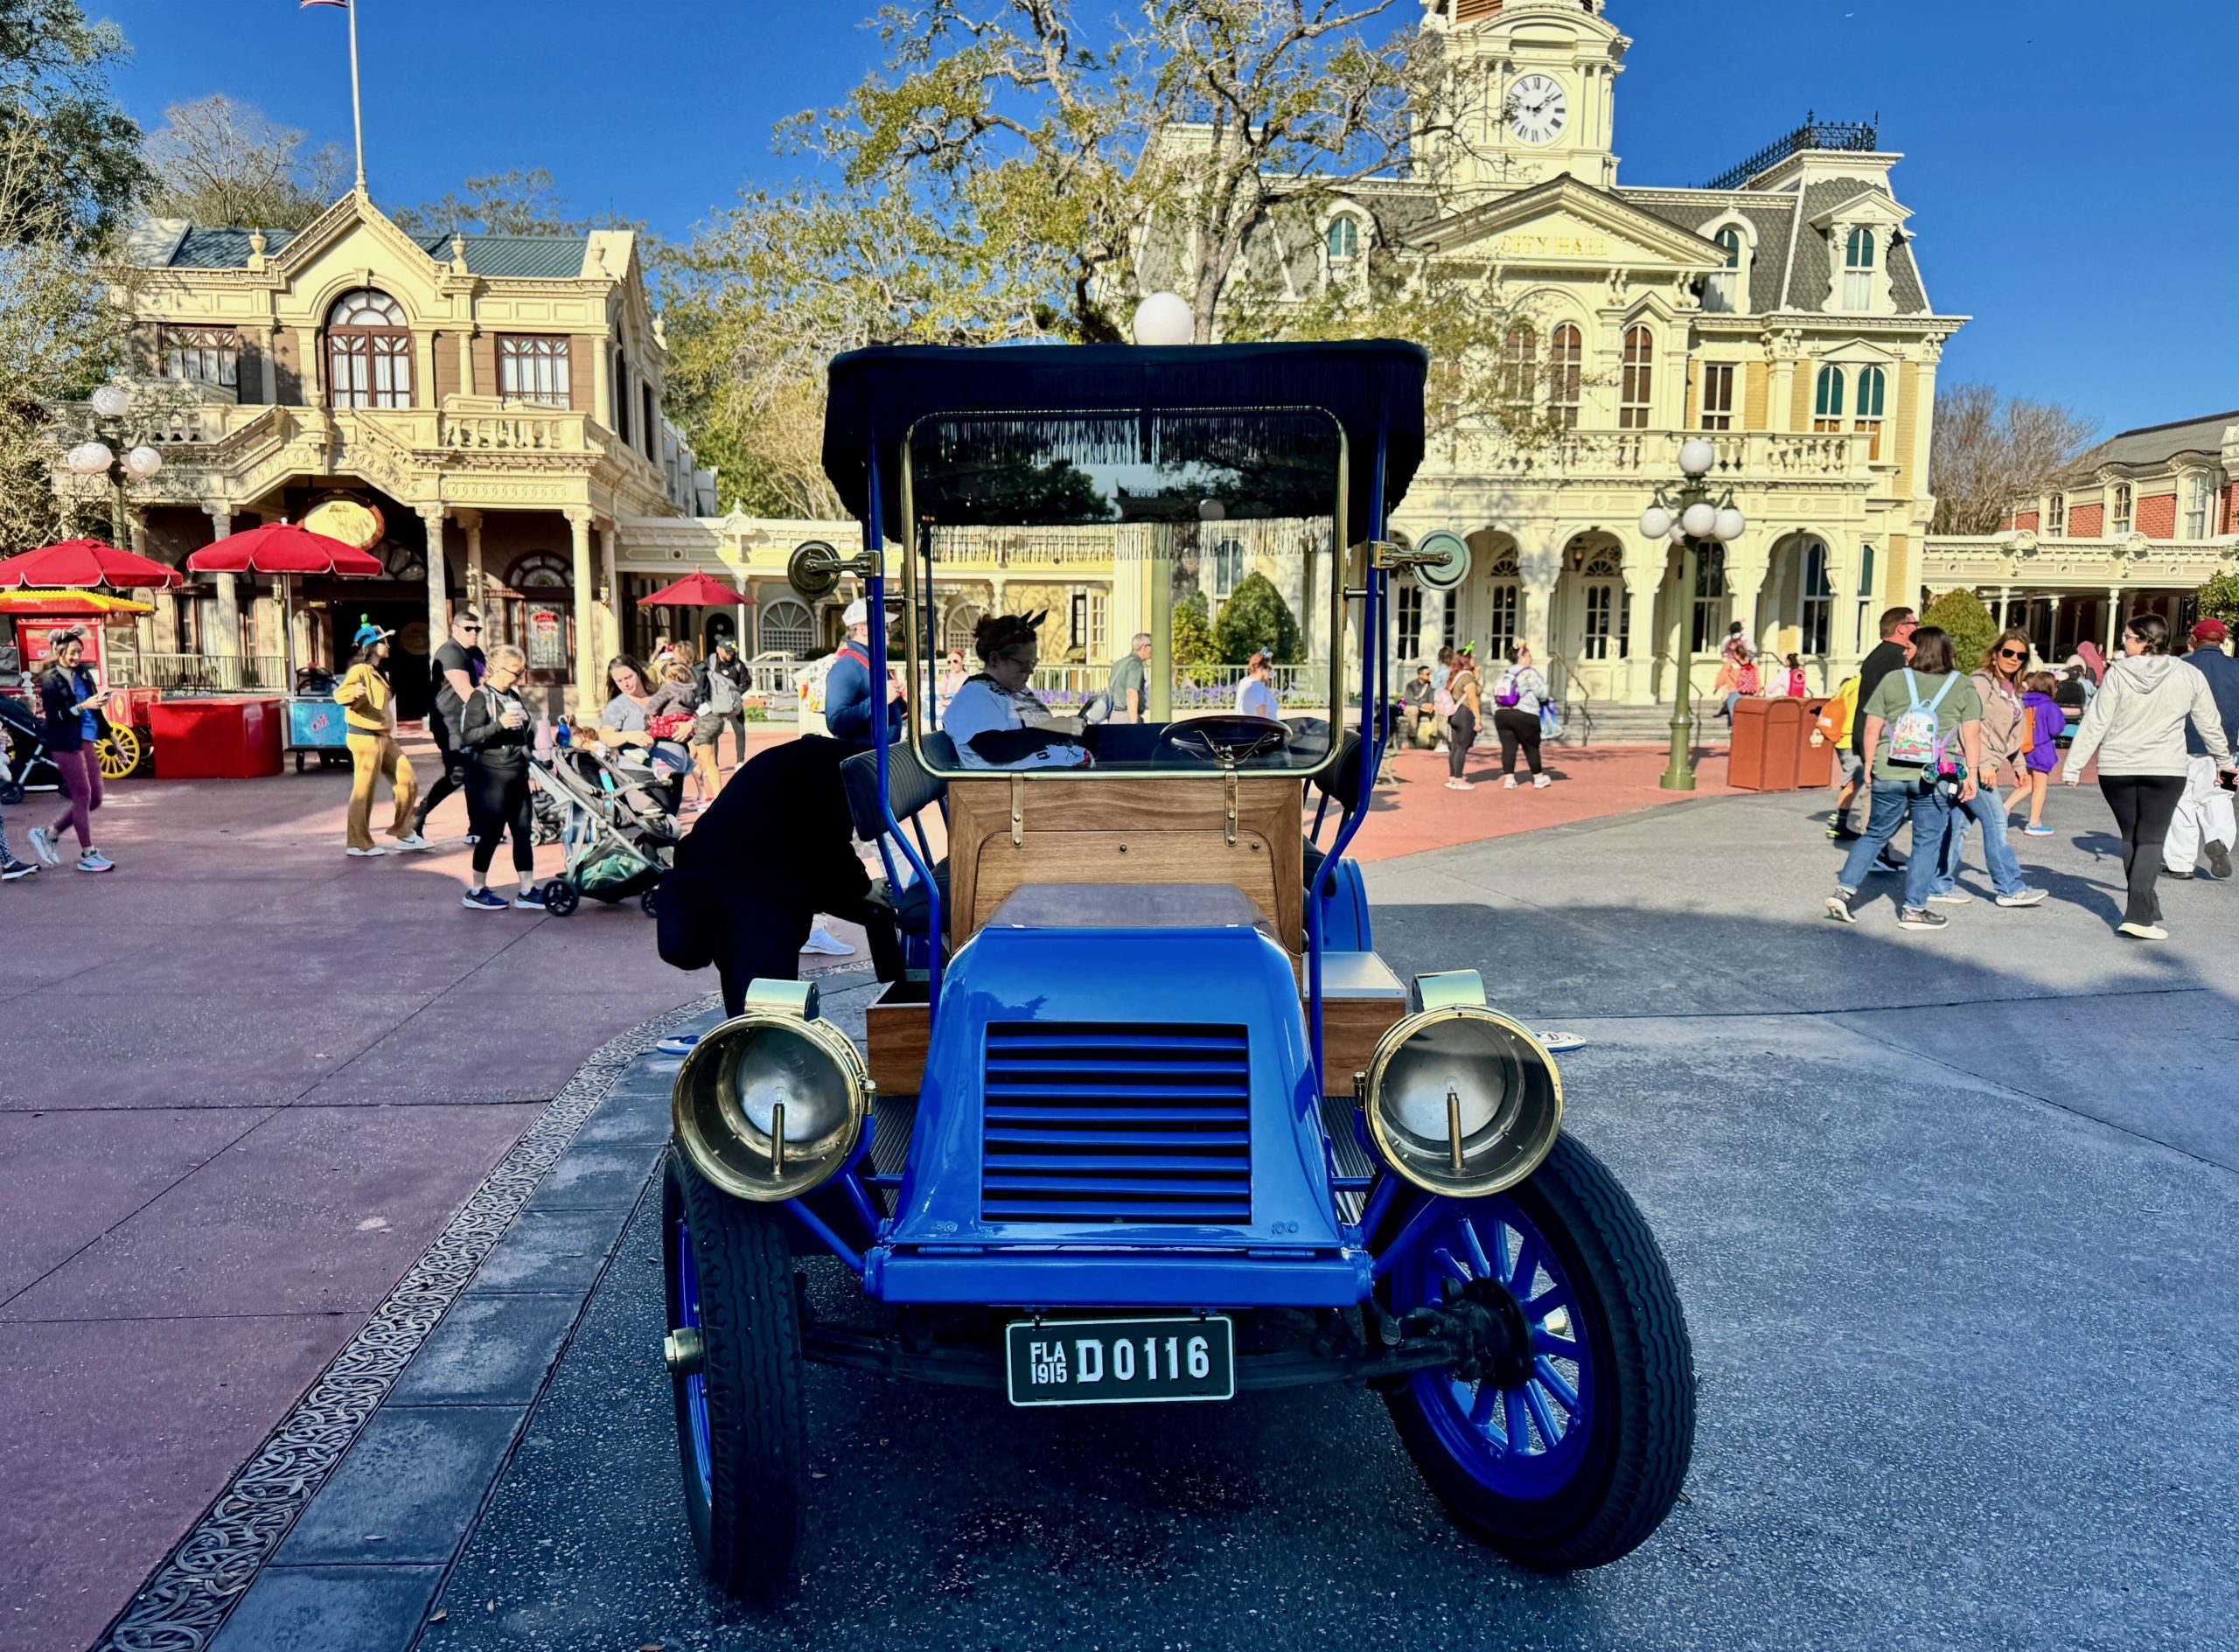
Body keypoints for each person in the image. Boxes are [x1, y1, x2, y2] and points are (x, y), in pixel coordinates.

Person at [653, 735, 902, 1015]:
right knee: (765, 995)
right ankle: (762, 1040)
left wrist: (860, 892)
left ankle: (748, 1037)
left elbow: (822, 854)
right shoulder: (845, 772)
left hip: (718, 867)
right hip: (753, 881)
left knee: (742, 982)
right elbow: (826, 846)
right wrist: (863, 888)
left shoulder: (820, 759)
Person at [2061, 614, 2235, 938]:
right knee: (2151, 839)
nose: (2123, 643)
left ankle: (2144, 902)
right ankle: (2139, 917)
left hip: (2117, 767)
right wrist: (2225, 762)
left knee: (2131, 837)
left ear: (2144, 640)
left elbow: (2097, 720)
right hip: (2166, 767)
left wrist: (2074, 765)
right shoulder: (2188, 674)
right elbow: (2209, 724)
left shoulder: (2118, 674)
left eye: (2127, 637)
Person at [1824, 624, 1982, 931]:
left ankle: (1843, 892)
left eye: (1909, 647)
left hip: (1889, 769)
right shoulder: (1962, 685)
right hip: (1935, 775)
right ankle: (1914, 910)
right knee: (1926, 842)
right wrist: (1971, 774)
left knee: (1875, 833)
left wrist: (1869, 764)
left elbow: (1872, 727)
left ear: (1922, 650)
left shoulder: (1894, 680)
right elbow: (1971, 734)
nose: (1904, 652)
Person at [1923, 628, 2046, 910]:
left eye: (2020, 656)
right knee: (1997, 821)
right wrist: (1982, 765)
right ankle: (2010, 888)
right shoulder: (1980, 682)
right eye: (2008, 652)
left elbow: (2009, 733)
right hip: (1971, 763)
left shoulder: (2012, 688)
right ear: (1995, 653)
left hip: (1981, 763)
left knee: (1958, 825)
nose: (2014, 659)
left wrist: (2019, 765)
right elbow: (1972, 727)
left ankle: (1938, 884)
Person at [943, 610, 1092, 770]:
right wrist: (1056, 729)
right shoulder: (974, 695)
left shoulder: (1019, 692)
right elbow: (996, 749)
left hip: (1057, 774)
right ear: (995, 659)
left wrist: (1071, 727)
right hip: (1020, 783)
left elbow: (1040, 735)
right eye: (1024, 664)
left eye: (1033, 663)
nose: (1031, 670)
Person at [456, 644, 544, 910]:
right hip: (492, 774)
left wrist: (535, 754)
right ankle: (476, 889)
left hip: (517, 771)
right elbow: (468, 736)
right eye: (516, 672)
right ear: (498, 668)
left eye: (522, 672)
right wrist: (499, 725)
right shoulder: (480, 697)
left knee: (523, 831)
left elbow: (524, 734)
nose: (519, 677)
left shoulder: (513, 695)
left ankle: (527, 890)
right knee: (492, 833)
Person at [332, 623, 429, 858]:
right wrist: (353, 693)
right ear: (371, 646)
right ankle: (357, 843)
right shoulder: (359, 670)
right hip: (364, 737)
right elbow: (340, 694)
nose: (388, 645)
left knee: (407, 780)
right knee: (364, 791)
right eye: (384, 641)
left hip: (384, 736)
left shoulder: (380, 672)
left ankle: (404, 833)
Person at [24, 628, 116, 873]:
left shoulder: (83, 673)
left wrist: (113, 740)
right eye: (72, 652)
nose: (77, 657)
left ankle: (50, 834)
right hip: (64, 742)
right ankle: (88, 853)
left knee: (95, 798)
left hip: (86, 739)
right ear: (60, 651)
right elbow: (55, 717)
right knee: (82, 794)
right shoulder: (49, 678)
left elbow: (96, 710)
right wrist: (82, 706)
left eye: (80, 652)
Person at [2164, 617, 2239, 880]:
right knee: (2222, 796)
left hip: (2181, 746)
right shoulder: (2237, 668)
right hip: (2227, 750)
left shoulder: (2180, 667)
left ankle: (2181, 863)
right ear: (2223, 640)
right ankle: (2220, 840)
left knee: (2181, 801)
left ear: (2194, 640)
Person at [405, 609, 485, 842]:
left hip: (469, 722)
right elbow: (466, 690)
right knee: (459, 773)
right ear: (455, 629)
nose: (473, 633)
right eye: (468, 629)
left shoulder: (475, 653)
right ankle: (419, 812)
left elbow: (486, 681)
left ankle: (477, 828)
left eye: (477, 629)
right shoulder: (450, 652)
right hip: (450, 724)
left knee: (474, 773)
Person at [824, 597, 906, 752]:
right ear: (862, 629)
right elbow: (836, 722)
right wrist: (880, 699)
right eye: (884, 625)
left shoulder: (871, 661)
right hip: (861, 756)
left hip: (878, 753)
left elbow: (883, 708)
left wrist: (901, 701)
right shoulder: (847, 666)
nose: (889, 631)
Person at [1490, 643, 1551, 789]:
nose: (1531, 659)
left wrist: (1497, 712)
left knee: (1508, 747)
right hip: (1525, 713)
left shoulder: (1503, 674)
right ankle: (1538, 778)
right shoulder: (1529, 673)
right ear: (1521, 657)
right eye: (1529, 656)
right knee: (1531, 746)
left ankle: (1509, 779)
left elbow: (1494, 696)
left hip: (1502, 714)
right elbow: (1542, 694)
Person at [1812, 674, 1865, 839]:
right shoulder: (1867, 685)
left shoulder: (1851, 684)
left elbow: (1832, 705)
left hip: (1842, 737)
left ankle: (1840, 818)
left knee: (1852, 781)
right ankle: (1839, 824)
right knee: (1852, 782)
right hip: (1852, 738)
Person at [2017, 670, 2067, 835]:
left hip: (2027, 747)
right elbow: (2055, 728)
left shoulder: (2024, 702)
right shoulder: (2049, 706)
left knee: (2029, 784)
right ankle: (2033, 823)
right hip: (2042, 748)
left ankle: (2005, 808)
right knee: (2040, 787)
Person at [703, 637, 750, 767]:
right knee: (713, 733)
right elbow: (701, 678)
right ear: (719, 649)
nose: (730, 654)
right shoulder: (710, 663)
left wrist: (736, 695)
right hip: (716, 704)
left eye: (732, 651)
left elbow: (746, 681)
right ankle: (714, 763)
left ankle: (740, 761)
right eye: (727, 651)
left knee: (740, 730)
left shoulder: (738, 665)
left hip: (733, 703)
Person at [1443, 647, 1481, 790]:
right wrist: (1478, 718)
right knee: (1462, 747)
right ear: (1467, 660)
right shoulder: (1467, 677)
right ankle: (1459, 779)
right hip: (1465, 714)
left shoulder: (1456, 675)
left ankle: (1453, 776)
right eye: (1472, 657)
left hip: (1454, 714)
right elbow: (1472, 698)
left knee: (1455, 747)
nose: (1474, 659)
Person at [1106, 632, 1153, 723]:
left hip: (1114, 716)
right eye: (1151, 646)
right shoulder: (1135, 665)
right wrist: (1133, 724)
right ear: (1144, 647)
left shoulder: (1118, 664)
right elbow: (1131, 693)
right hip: (1128, 717)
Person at [1714, 642, 1761, 720]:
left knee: (1735, 717)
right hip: (1749, 693)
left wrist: (1717, 687)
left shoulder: (1731, 662)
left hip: (1734, 692)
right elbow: (1757, 678)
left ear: (1735, 653)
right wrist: (1758, 691)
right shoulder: (1752, 663)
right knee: (1747, 718)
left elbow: (1722, 676)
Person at [1236, 650, 1280, 720]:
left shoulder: (1243, 682)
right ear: (1262, 669)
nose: (1270, 672)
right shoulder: (1257, 687)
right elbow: (1262, 717)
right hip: (1259, 726)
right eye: (1269, 668)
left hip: (1244, 724)